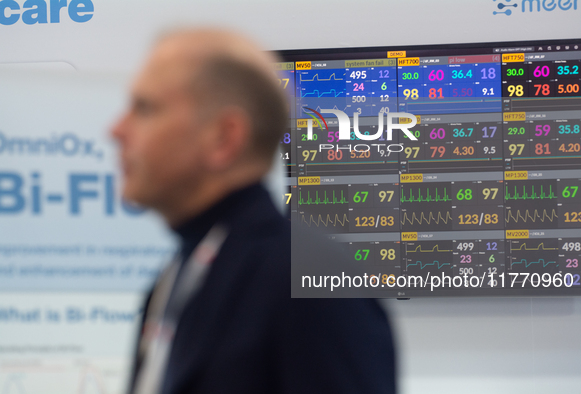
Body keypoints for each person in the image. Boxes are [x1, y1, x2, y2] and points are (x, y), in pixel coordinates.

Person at [111, 28, 396, 394]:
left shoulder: (307, 281)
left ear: (224, 137)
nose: (116, 129)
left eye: (145, 108)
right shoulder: (180, 273)